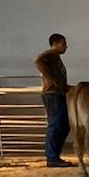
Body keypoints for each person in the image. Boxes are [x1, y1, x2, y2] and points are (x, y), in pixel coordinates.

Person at [34, 33, 72, 167]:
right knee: (55, 124)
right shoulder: (49, 55)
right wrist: (51, 80)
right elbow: (38, 60)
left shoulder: (55, 57)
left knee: (64, 124)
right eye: (63, 43)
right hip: (52, 94)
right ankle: (52, 157)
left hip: (58, 93)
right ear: (55, 44)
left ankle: (55, 154)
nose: (66, 46)